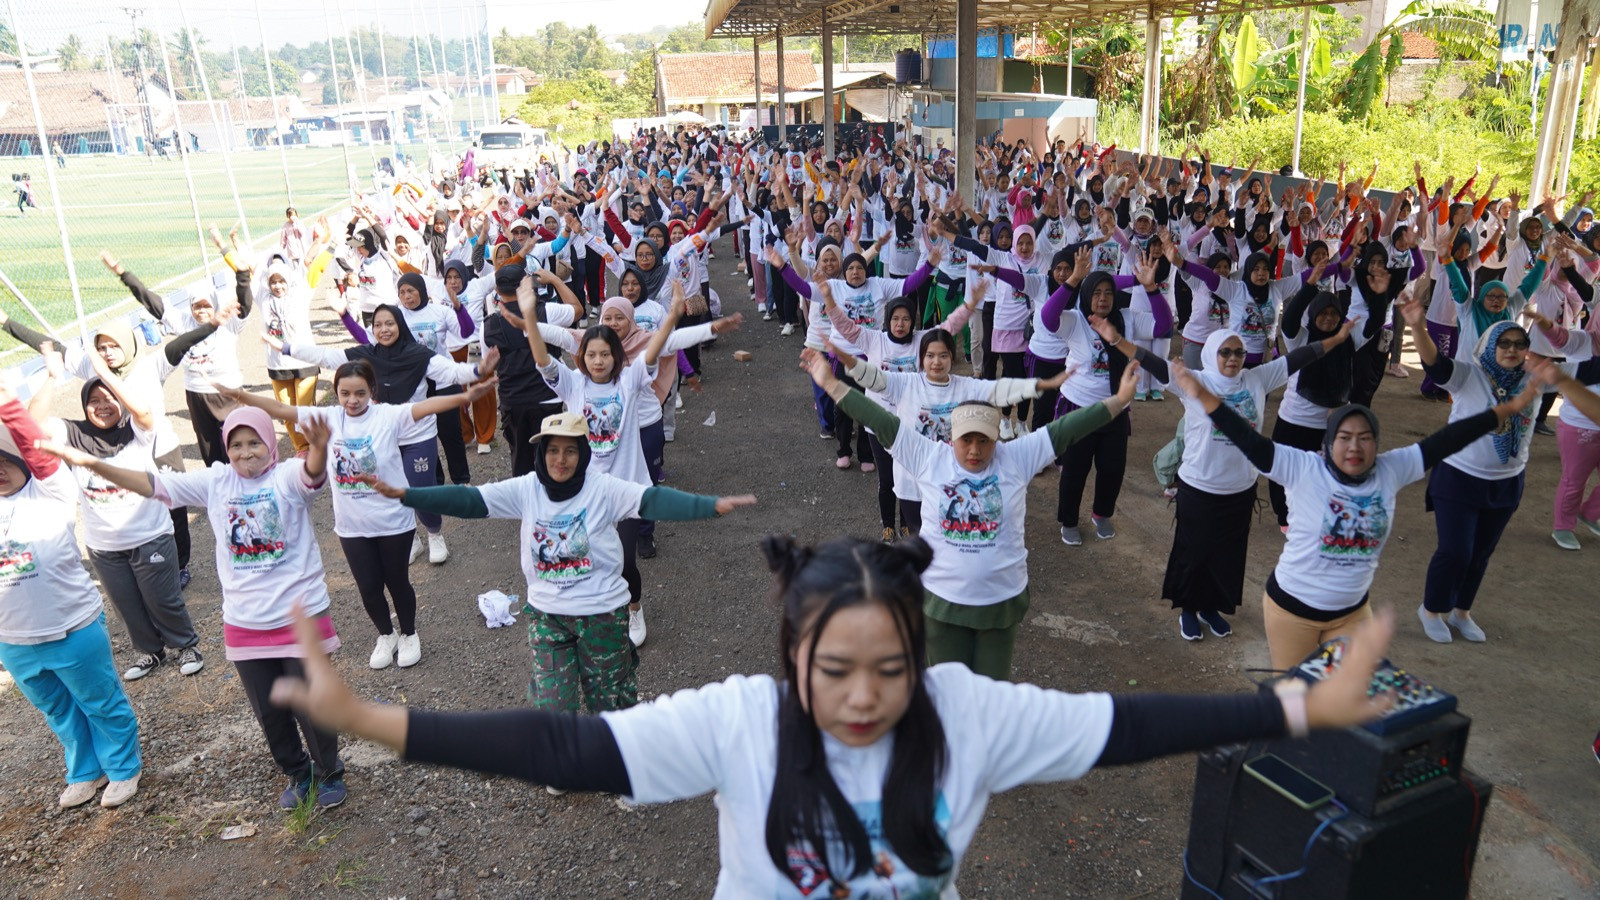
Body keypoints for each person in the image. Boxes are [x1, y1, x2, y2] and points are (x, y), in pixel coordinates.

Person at [266, 534, 1401, 898]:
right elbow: (570, 748)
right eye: (836, 669)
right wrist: (370, 717)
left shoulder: (968, 715)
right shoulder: (740, 722)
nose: (865, 698)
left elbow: (1129, 726)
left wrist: (1293, 706)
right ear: (790, 657)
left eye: (891, 670)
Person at [357, 411, 754, 751]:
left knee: (611, 702)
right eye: (552, 449)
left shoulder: (604, 489)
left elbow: (652, 501)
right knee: (553, 702)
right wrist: (409, 495)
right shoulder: (527, 489)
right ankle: (562, 760)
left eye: (569, 450)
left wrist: (709, 506)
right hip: (548, 617)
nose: (560, 459)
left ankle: (622, 761)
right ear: (540, 452)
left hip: (602, 615)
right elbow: (470, 500)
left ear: (583, 454)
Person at [37, 408, 350, 810]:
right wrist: (86, 462)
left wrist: (320, 447)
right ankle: (298, 771)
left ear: (269, 444)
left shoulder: (285, 476)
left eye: (254, 442)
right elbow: (152, 484)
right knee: (270, 712)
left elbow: (311, 474)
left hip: (300, 617)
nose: (245, 452)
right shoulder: (216, 481)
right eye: (236, 445)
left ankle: (329, 771)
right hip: (245, 623)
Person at [1167, 358, 1536, 670]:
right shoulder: (1301, 466)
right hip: (1292, 611)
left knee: (1346, 703)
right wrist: (1201, 393)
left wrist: (1506, 411)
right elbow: (1247, 439)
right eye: (1344, 437)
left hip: (1353, 613)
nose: (1355, 447)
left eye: (1365, 437)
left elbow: (1446, 440)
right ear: (1328, 444)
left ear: (1377, 443)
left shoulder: (1392, 469)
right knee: (1297, 703)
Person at [805, 348, 1137, 680]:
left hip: (1001, 603)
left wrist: (1120, 400)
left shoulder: (1016, 457)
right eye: (966, 440)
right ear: (952, 437)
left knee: (991, 694)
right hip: (942, 603)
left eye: (984, 440)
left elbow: (1069, 428)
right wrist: (830, 383)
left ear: (997, 438)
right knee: (948, 694)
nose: (975, 450)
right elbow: (879, 419)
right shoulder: (929, 456)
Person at [215, 361, 497, 670]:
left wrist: (465, 398)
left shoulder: (387, 416)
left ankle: (409, 634)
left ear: (372, 391)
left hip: (392, 521)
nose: (352, 400)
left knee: (397, 581)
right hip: (351, 527)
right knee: (368, 587)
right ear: (335, 393)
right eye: (345, 393)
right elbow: (281, 410)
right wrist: (242, 396)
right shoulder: (329, 418)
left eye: (360, 393)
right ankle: (386, 635)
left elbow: (427, 406)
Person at [1405, 299, 1600, 643]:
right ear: (1489, 346)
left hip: (1507, 484)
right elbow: (1434, 364)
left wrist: (1557, 373)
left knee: (1481, 552)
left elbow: (1583, 379)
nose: (1511, 349)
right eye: (1504, 343)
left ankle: (1461, 611)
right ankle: (1432, 608)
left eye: (1519, 344)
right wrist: (1419, 328)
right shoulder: (1469, 375)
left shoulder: (1534, 377)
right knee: (1455, 550)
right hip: (1457, 478)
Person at [0, 385, 142, 810]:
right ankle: (85, 770)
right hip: (14, 640)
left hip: (71, 628)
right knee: (58, 712)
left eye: (3, 461)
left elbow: (32, 442)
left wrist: (5, 399)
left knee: (99, 701)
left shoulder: (50, 490)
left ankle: (122, 767)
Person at [271, 302, 496, 565]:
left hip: (417, 435)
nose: (384, 329)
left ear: (399, 324)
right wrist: (287, 348)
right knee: (389, 489)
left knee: (421, 488)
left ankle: (434, 534)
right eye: (377, 325)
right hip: (381, 437)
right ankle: (412, 537)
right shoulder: (367, 354)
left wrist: (479, 370)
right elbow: (326, 356)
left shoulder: (419, 355)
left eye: (389, 323)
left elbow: (451, 370)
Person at [28, 345, 203, 681]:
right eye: (94, 400)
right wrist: (52, 375)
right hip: (104, 546)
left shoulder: (137, 430)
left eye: (109, 398)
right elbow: (32, 424)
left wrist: (104, 372)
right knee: (128, 606)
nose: (103, 405)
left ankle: (186, 645)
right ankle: (151, 653)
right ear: (84, 406)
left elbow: (143, 411)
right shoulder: (73, 433)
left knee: (163, 600)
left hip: (150, 536)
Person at [522, 283, 683, 647]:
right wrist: (530, 316)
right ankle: (593, 610)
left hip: (623, 490)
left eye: (604, 355)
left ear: (616, 357)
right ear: (582, 357)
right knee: (586, 556)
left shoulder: (628, 381)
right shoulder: (572, 385)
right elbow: (544, 360)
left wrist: (672, 313)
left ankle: (634, 608)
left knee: (625, 561)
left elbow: (653, 351)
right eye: (591, 354)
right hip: (582, 493)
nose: (597, 361)